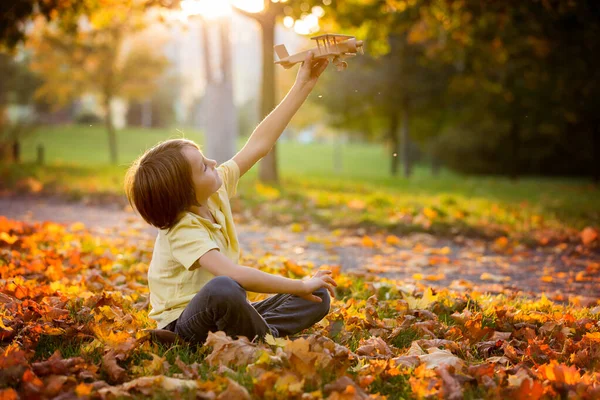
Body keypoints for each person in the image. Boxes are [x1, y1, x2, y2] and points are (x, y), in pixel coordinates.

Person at [124, 52, 336, 346]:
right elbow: (235, 275)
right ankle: (255, 341)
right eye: (203, 167)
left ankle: (257, 337)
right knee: (224, 287)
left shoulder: (214, 190)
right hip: (186, 323)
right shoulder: (183, 230)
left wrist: (303, 84)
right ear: (186, 193)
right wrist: (299, 284)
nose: (213, 162)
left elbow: (259, 144)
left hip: (228, 311)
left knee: (317, 296)